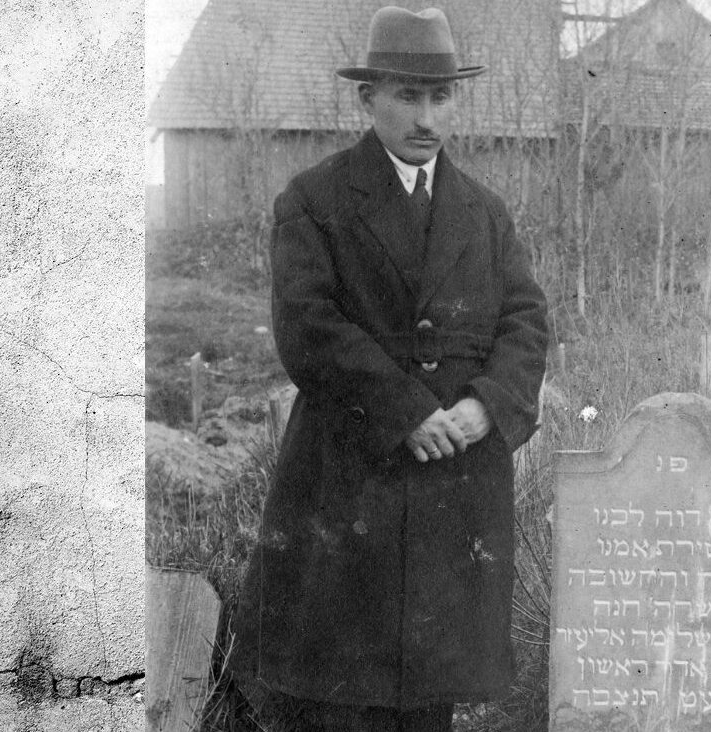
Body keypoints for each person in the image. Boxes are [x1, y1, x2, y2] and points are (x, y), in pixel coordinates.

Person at [227, 7, 550, 731]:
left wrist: (488, 404)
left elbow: (526, 322)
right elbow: (308, 327)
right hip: (350, 482)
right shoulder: (315, 200)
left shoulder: (486, 215)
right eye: (406, 95)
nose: (425, 116)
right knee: (344, 698)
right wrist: (407, 412)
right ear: (367, 98)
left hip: (453, 486)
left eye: (440, 97)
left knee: (429, 698)